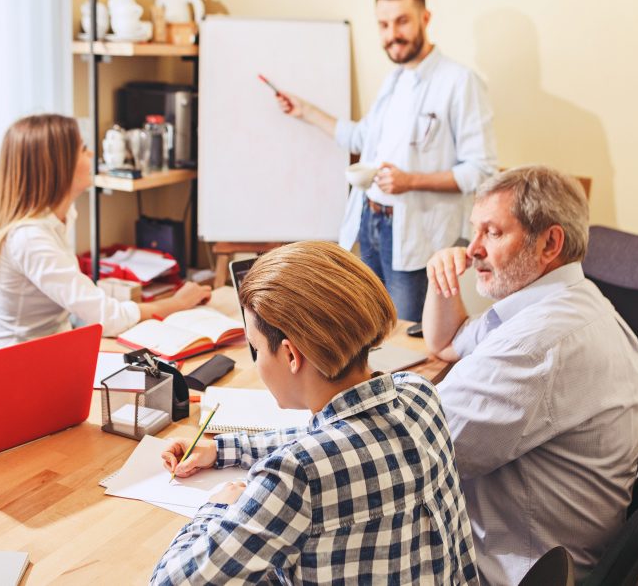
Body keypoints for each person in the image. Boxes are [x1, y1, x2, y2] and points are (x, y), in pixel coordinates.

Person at [152, 241, 478, 584]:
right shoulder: (418, 393)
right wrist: (222, 450)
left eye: (256, 347)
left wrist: (220, 507)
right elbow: (342, 438)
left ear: (291, 356)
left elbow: (169, 581)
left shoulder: (298, 476)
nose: (257, 360)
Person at [422, 165, 638, 585]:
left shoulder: (537, 344)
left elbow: (416, 453)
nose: (472, 249)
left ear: (549, 243)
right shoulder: (567, 302)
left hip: (512, 569)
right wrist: (441, 280)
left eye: (492, 232)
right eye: (474, 231)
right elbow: (446, 343)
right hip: (554, 549)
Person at [278, 0, 497, 322]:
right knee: (370, 326)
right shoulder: (394, 81)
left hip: (415, 232)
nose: (392, 34)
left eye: (402, 21)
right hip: (371, 220)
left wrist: (411, 180)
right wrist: (304, 111)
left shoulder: (459, 82)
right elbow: (359, 138)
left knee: (406, 333)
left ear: (425, 18)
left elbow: (481, 169)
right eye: (383, 24)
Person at [0, 113, 210, 350]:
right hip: (16, 370)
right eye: (83, 149)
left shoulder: (61, 217)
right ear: (58, 165)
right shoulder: (29, 238)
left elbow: (85, 306)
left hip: (53, 351)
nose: (91, 155)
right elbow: (107, 317)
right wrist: (177, 303)